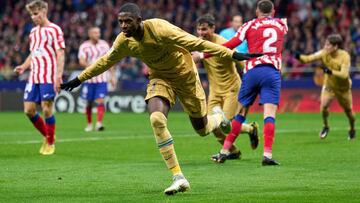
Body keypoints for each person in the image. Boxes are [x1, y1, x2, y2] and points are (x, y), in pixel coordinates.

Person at [60, 3, 261, 195]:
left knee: (203, 130)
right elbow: (105, 61)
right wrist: (79, 79)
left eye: (128, 21)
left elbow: (196, 42)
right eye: (120, 22)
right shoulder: (124, 40)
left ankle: (218, 117)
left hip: (187, 78)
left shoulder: (160, 28)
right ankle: (178, 177)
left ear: (139, 20)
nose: (123, 26)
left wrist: (232, 54)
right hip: (160, 79)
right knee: (156, 119)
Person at [211, 0, 287, 166]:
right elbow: (282, 30)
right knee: (269, 115)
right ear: (273, 11)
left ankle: (224, 152)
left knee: (241, 114)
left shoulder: (249, 25)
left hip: (252, 71)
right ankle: (267, 155)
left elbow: (231, 45)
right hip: (272, 72)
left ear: (257, 11)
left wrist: (206, 54)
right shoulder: (281, 24)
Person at [193, 14, 259, 160]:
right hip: (215, 92)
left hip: (231, 89)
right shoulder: (198, 43)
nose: (201, 33)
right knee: (210, 126)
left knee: (225, 124)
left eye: (204, 29)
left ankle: (233, 145)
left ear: (213, 28)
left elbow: (240, 62)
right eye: (199, 29)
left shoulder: (223, 43)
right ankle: (235, 149)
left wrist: (249, 82)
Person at [14, 0, 65, 155]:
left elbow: (60, 53)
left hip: (48, 76)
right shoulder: (33, 32)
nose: (33, 17)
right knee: (29, 110)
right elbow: (34, 52)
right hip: (34, 76)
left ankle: (50, 143)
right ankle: (49, 135)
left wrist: (58, 76)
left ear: (44, 11)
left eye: (35, 13)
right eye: (31, 14)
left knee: (46, 109)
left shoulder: (55, 30)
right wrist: (24, 66)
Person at [295, 34, 356, 140]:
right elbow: (309, 58)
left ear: (335, 46)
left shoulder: (344, 56)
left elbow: (344, 74)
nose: (325, 46)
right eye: (325, 44)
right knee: (323, 106)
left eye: (328, 45)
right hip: (329, 86)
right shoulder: (324, 52)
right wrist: (298, 57)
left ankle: (352, 129)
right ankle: (326, 126)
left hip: (343, 89)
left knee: (349, 112)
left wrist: (331, 72)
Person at [78, 27, 116, 132]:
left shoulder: (104, 45)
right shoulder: (84, 46)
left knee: (100, 100)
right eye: (95, 33)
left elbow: (110, 60)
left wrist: (112, 76)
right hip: (89, 79)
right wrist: (92, 66)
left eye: (99, 32)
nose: (98, 34)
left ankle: (99, 123)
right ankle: (89, 124)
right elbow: (81, 61)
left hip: (102, 79)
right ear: (90, 34)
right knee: (89, 102)